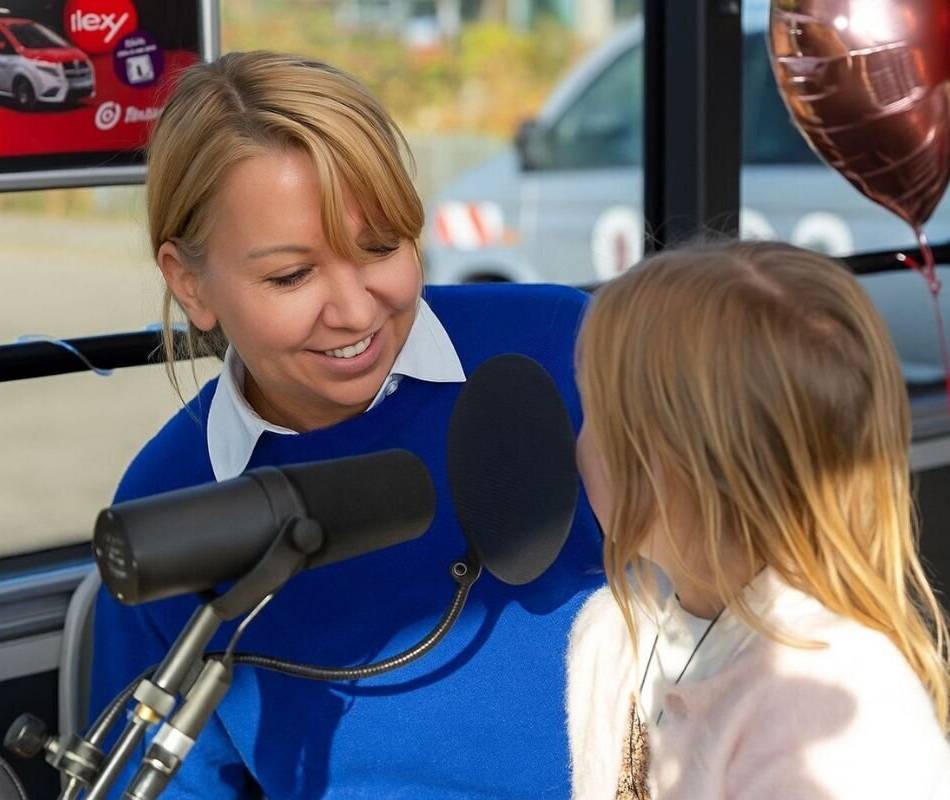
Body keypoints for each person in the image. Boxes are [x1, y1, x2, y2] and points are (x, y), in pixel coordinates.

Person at [89, 51, 603, 798]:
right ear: (190, 283)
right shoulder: (167, 507)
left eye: (381, 247)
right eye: (292, 276)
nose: (357, 311)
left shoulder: (564, 348)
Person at [569, 240, 950, 799]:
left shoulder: (842, 710)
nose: (576, 441)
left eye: (596, 414)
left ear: (683, 469)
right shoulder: (611, 636)